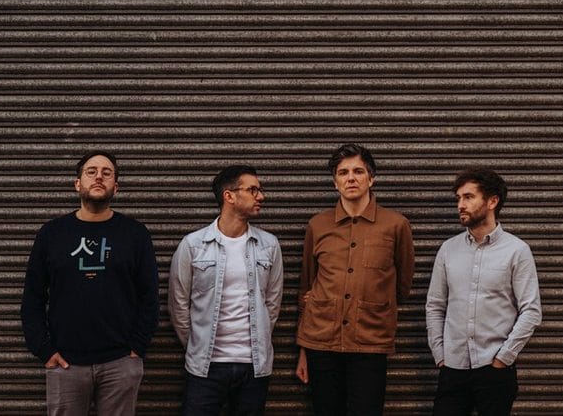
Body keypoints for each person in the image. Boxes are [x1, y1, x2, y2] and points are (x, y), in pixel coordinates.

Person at [20, 151, 159, 416]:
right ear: (77, 184)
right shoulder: (52, 233)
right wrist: (44, 349)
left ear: (115, 187)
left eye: (107, 173)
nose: (98, 177)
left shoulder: (135, 234)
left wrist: (136, 348)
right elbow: (33, 297)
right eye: (91, 171)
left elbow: (150, 297)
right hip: (66, 363)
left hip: (120, 362)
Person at [294, 143, 415, 416]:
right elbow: (308, 288)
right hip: (321, 343)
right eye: (343, 172)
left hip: (370, 343)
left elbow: (403, 284)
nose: (351, 178)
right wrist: (303, 349)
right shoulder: (318, 225)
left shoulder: (395, 225)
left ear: (371, 178)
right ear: (335, 182)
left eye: (358, 171)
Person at [425, 168, 542, 416]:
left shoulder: (516, 251)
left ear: (492, 201)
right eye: (458, 198)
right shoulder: (448, 250)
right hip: (453, 369)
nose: (460, 205)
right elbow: (435, 305)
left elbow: (531, 311)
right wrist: (441, 355)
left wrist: (503, 358)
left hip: (494, 369)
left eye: (468, 197)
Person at [169, 165, 284, 416]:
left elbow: (272, 303)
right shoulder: (193, 245)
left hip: (254, 366)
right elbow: (178, 305)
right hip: (205, 367)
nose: (261, 196)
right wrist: (197, 344)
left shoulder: (269, 245)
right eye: (253, 190)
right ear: (229, 196)